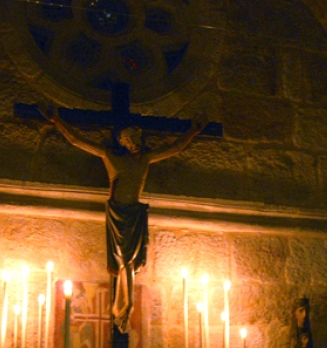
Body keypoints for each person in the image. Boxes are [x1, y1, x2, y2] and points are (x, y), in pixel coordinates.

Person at [43, 106, 206, 334]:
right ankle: (123, 309)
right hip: (118, 215)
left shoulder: (145, 159)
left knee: (129, 263)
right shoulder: (111, 157)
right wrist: (57, 121)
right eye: (129, 140)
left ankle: (123, 309)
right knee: (123, 263)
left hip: (135, 214)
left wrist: (192, 132)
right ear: (122, 143)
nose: (134, 144)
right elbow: (76, 141)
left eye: (136, 139)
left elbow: (174, 148)